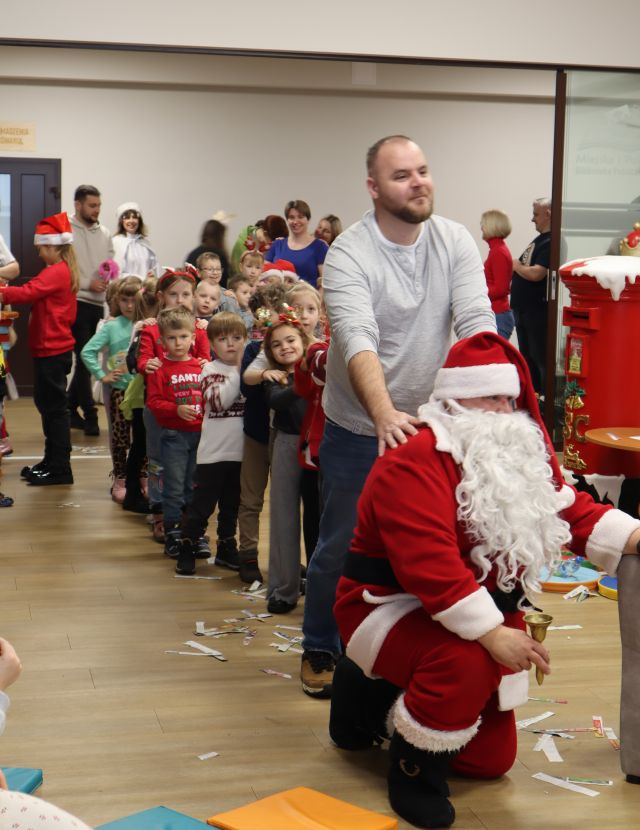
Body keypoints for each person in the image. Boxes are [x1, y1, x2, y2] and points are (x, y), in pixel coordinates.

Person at [330, 332, 640, 829]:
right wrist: (494, 634)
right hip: (387, 604)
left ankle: (368, 700)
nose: (503, 410)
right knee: (465, 660)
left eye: (509, 399)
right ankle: (413, 775)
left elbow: (570, 510)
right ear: (454, 399)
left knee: (488, 762)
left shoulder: (513, 456)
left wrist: (635, 535)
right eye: (490, 396)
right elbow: (428, 566)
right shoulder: (412, 458)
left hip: (473, 609)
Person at [300, 134, 496, 698]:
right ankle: (319, 644)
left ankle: (408, 647)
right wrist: (384, 413)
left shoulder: (454, 239)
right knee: (341, 544)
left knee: (431, 543)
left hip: (435, 423)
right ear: (374, 188)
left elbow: (477, 322)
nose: (418, 183)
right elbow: (358, 338)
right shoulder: (349, 253)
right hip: (361, 426)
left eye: (423, 170)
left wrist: (494, 400)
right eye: (401, 175)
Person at [0, 213, 79, 486]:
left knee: (54, 410)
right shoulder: (58, 270)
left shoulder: (57, 271)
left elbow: (28, 292)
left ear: (54, 246)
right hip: (49, 351)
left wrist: (2, 292)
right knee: (47, 406)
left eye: (41, 247)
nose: (38, 251)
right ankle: (52, 460)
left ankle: (60, 467)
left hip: (53, 351)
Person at [134, 270, 210, 545]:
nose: (180, 299)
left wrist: (205, 364)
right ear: (161, 297)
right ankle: (159, 513)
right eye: (174, 294)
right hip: (161, 404)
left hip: (190, 412)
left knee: (188, 469)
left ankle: (183, 516)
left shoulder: (198, 328)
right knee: (157, 461)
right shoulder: (151, 328)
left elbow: (202, 357)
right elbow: (142, 360)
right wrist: (148, 365)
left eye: (186, 294)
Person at [175, 312, 248, 576]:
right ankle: (187, 545)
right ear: (212, 344)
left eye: (237, 338)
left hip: (241, 455)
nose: (231, 343)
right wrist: (240, 371)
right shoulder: (209, 370)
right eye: (223, 339)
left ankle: (227, 548)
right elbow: (218, 402)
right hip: (213, 455)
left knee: (231, 506)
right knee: (201, 506)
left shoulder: (249, 371)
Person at [261, 312, 316, 614]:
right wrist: (300, 384)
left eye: (291, 340)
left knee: (316, 519)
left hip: (315, 445)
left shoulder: (317, 367)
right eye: (277, 344)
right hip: (285, 443)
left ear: (303, 340)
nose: (285, 347)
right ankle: (284, 589)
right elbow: (276, 400)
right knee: (283, 516)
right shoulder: (275, 377)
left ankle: (317, 583)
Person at [237, 285, 287, 584]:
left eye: (275, 312)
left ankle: (286, 561)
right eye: (263, 314)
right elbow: (246, 385)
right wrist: (264, 370)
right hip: (257, 434)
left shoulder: (295, 347)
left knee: (285, 503)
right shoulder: (255, 351)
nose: (269, 320)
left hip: (286, 438)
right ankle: (248, 554)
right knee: (251, 498)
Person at [145, 306, 204, 559]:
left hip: (201, 436)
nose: (178, 342)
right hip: (173, 436)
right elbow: (154, 403)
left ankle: (194, 533)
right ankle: (173, 532)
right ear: (162, 341)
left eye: (183, 337)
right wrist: (176, 410)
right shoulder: (159, 369)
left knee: (195, 486)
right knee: (174, 487)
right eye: (171, 337)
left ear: (193, 338)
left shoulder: (203, 367)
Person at [81, 276, 142, 503]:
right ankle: (120, 478)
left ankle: (143, 478)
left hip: (142, 393)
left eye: (134, 300)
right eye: (125, 300)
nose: (129, 306)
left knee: (143, 437)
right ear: (118, 301)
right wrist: (102, 375)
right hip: (119, 391)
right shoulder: (112, 326)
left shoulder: (145, 323)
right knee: (120, 438)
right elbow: (87, 351)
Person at [67, 185, 113, 436]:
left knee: (86, 361)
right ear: (78, 204)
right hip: (76, 301)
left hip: (98, 303)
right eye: (92, 205)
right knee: (85, 359)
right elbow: (64, 268)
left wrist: (108, 273)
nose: (96, 210)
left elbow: (110, 260)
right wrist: (87, 283)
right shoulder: (66, 230)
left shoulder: (104, 232)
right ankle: (91, 416)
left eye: (98, 206)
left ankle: (69, 406)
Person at [510, 197, 552, 395]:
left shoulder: (551, 241)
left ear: (548, 214)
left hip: (536, 312)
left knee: (538, 358)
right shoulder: (540, 240)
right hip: (524, 311)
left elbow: (537, 273)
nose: (532, 219)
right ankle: (533, 396)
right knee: (527, 357)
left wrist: (517, 265)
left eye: (536, 214)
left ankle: (543, 399)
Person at [265, 201, 328, 287]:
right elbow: (264, 276)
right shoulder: (277, 245)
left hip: (308, 298)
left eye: (300, 217)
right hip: (279, 298)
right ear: (287, 220)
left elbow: (325, 283)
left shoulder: (320, 247)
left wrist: (318, 300)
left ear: (308, 219)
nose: (295, 221)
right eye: (291, 217)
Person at [480, 209, 514, 340]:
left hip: (498, 315)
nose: (481, 228)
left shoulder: (498, 252)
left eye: (483, 224)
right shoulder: (496, 250)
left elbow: (501, 289)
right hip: (497, 314)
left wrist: (478, 293)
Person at [111, 202, 159, 279]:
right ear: (121, 222)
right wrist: (140, 279)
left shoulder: (145, 244)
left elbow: (153, 267)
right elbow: (117, 273)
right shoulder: (116, 242)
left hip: (145, 288)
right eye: (127, 218)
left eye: (134, 217)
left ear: (139, 221)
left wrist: (152, 274)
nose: (131, 221)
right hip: (126, 288)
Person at [186, 219, 230, 286]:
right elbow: (224, 281)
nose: (215, 273)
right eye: (209, 269)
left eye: (218, 269)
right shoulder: (220, 256)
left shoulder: (193, 254)